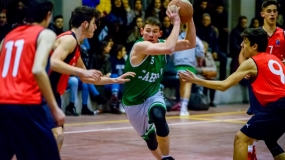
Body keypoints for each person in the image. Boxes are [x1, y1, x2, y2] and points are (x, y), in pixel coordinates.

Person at [179, 27, 285, 160]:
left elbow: (224, 85)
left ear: (254, 46)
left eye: (245, 42)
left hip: (277, 106)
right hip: (281, 106)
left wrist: (196, 80)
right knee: (271, 141)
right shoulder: (275, 59)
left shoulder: (252, 63)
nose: (241, 45)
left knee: (241, 138)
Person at [49, 6, 135, 150]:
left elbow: (86, 77)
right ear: (85, 24)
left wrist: (115, 80)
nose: (96, 27)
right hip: (41, 93)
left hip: (52, 95)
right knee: (54, 136)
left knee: (56, 136)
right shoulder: (69, 39)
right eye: (94, 23)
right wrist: (82, 72)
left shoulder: (75, 46)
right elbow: (53, 62)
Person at [122, 5, 196, 160]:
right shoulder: (139, 46)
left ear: (160, 34)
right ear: (142, 32)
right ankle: (161, 158)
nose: (150, 34)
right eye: (147, 30)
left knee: (158, 115)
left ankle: (167, 156)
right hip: (133, 101)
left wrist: (189, 19)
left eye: (155, 31)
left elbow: (190, 43)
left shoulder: (162, 44)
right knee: (150, 139)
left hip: (152, 94)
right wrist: (176, 22)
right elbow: (169, 48)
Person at [0, 0, 65, 160]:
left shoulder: (8, 36)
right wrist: (54, 107)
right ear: (48, 15)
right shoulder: (45, 33)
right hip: (26, 105)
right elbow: (38, 70)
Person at [238, 1, 285, 159]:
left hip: (278, 85)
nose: (272, 14)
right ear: (262, 14)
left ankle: (251, 149)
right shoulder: (254, 34)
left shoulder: (283, 34)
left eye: (275, 11)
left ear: (277, 14)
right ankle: (251, 149)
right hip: (260, 82)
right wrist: (244, 69)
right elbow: (243, 53)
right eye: (269, 11)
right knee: (259, 121)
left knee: (264, 127)